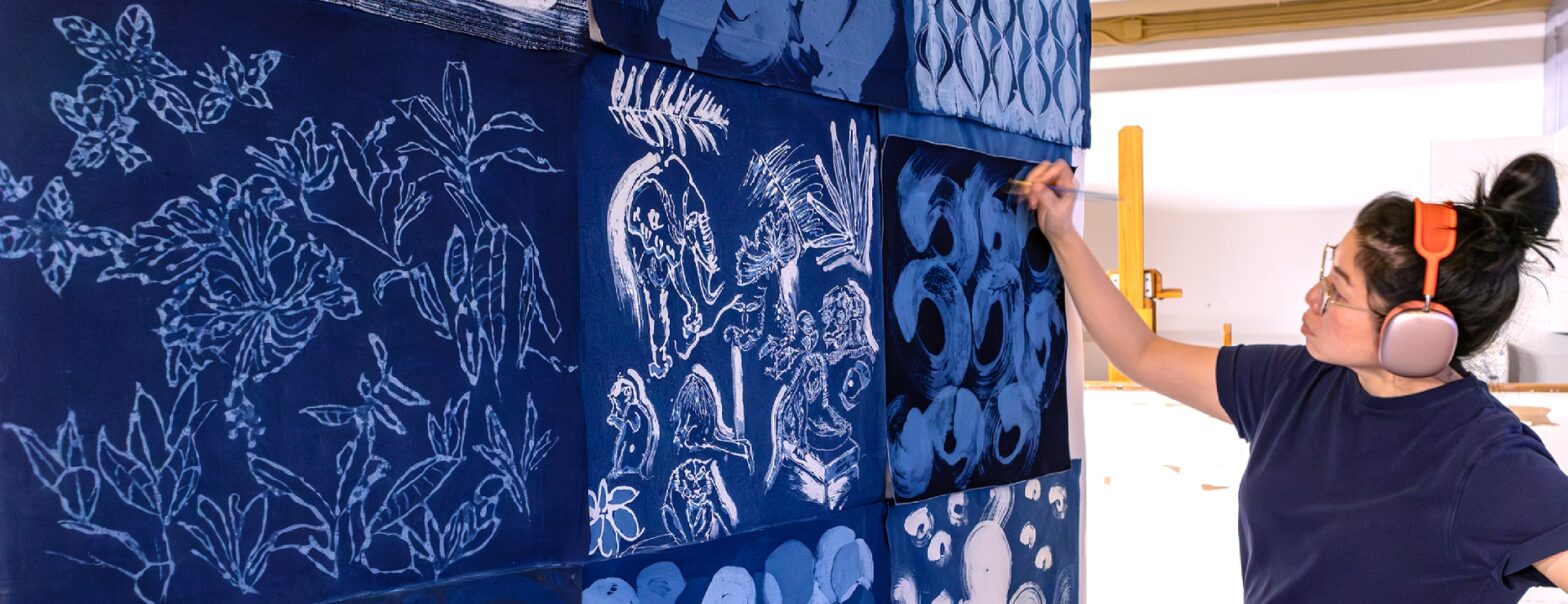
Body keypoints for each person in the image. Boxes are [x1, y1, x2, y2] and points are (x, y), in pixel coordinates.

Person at [1021, 153, 1566, 601]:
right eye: (1327, 273)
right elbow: (1141, 353)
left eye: (1338, 291)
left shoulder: (1491, 461)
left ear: (1415, 332)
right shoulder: (1294, 382)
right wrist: (1063, 235)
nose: (1313, 296)